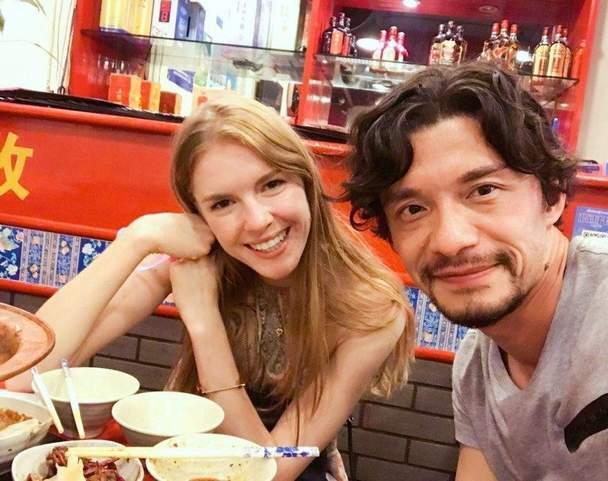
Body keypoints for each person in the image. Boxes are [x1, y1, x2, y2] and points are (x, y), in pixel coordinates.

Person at [7, 94, 414, 481]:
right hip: (183, 464)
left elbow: (269, 470)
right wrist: (136, 240)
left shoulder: (371, 310)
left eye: (272, 184)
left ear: (305, 181)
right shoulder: (206, 261)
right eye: (223, 203)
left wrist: (204, 322)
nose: (258, 220)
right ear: (199, 216)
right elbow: (27, 376)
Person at [342, 61, 608, 480]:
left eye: (483, 190)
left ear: (552, 195)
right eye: (413, 209)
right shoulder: (476, 369)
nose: (450, 239)